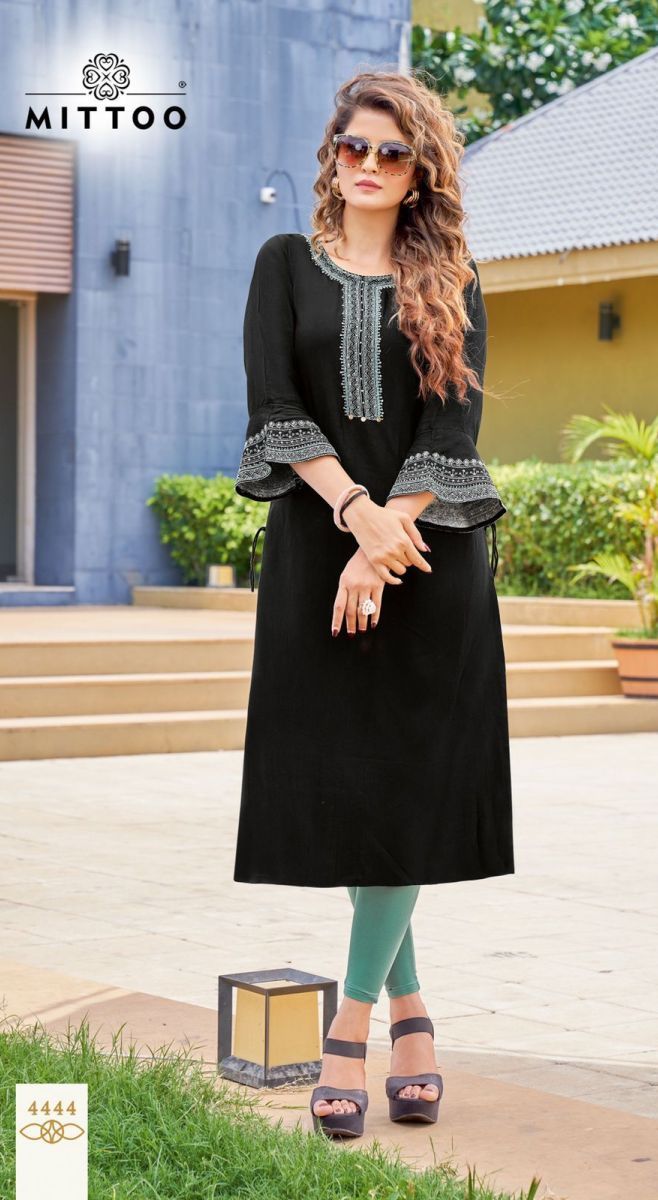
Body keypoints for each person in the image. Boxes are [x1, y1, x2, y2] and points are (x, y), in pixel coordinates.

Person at [232, 68, 515, 1139]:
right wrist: (355, 518)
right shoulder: (282, 265)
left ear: (420, 171)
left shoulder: (455, 281)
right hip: (319, 553)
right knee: (355, 795)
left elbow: (452, 433)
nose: (367, 165)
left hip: (430, 562)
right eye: (352, 146)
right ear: (331, 153)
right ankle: (414, 1016)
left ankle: (347, 1030)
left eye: (391, 153)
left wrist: (388, 538)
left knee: (399, 791)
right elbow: (275, 408)